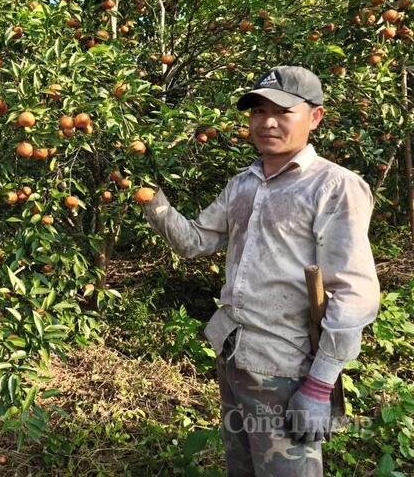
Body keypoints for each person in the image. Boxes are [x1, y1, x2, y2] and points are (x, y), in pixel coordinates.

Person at [139, 66, 380, 476]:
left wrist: (319, 384)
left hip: (288, 367)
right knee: (244, 468)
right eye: (258, 111)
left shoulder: (333, 186)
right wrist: (150, 200)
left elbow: (354, 293)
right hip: (235, 356)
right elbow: (195, 241)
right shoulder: (243, 184)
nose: (267, 122)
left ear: (315, 117)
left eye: (283, 112)